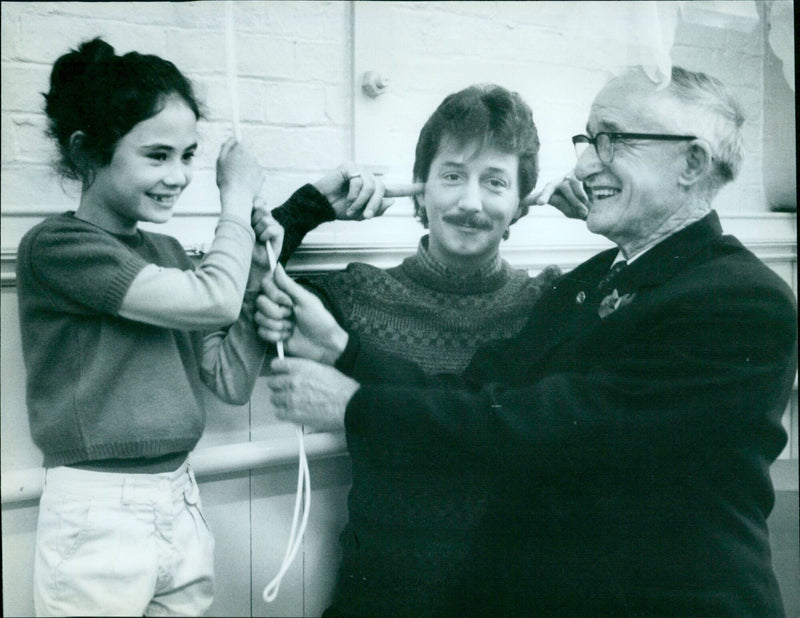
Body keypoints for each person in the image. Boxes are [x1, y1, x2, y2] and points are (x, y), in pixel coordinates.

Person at [263, 66, 797, 617]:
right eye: (588, 140)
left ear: (692, 163)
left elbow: (545, 427)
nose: (586, 163)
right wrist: (344, 351)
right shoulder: (589, 283)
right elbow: (476, 392)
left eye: (611, 140)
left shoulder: (744, 299)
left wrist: (357, 405)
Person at [255, 84, 562, 617]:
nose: (470, 202)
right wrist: (313, 206)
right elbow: (225, 301)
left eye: (495, 182)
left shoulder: (549, 304)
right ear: (420, 190)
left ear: (520, 203)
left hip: (510, 593)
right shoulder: (357, 297)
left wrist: (605, 213)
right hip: (383, 593)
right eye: (451, 176)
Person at [17, 37, 287, 616]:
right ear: (88, 154)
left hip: (179, 498)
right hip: (97, 513)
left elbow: (228, 379)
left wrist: (258, 270)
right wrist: (235, 203)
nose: (180, 175)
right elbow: (212, 301)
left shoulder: (165, 249)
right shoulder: (58, 247)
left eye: (188, 156)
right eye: (157, 155)